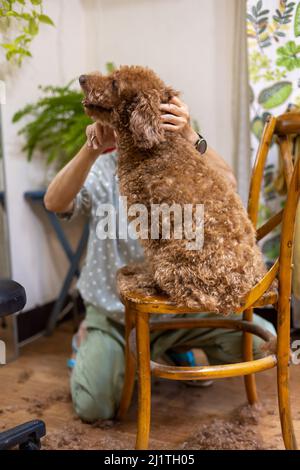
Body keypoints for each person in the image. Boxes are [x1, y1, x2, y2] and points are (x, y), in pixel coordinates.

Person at [44, 97, 276, 422]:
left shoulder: (184, 163)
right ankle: (94, 338)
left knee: (265, 344)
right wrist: (92, 147)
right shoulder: (105, 170)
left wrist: (189, 134)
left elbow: (229, 184)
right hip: (117, 314)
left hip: (183, 307)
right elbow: (54, 202)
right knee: (94, 406)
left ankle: (166, 347)